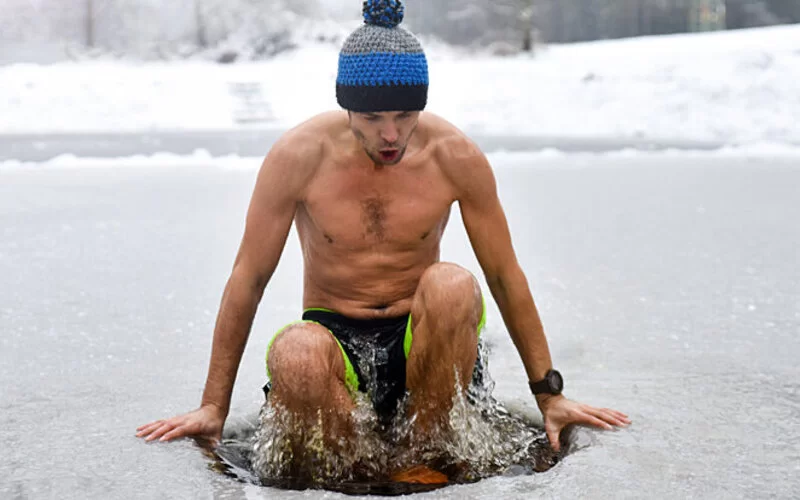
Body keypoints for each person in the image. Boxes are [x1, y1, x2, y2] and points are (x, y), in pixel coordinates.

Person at [136, 0, 629, 458]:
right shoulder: (298, 157)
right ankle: (356, 469)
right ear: (347, 106)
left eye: (405, 115)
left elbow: (504, 275)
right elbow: (249, 278)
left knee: (453, 285)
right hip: (336, 338)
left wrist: (550, 394)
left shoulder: (454, 156)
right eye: (372, 117)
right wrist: (213, 406)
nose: (391, 134)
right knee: (295, 351)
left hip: (426, 342)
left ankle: (432, 457)